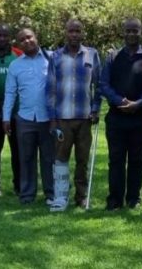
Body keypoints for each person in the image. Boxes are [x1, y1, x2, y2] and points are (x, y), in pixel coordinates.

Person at [98, 18, 142, 211]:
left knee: (137, 159)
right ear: (123, 33)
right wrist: (120, 101)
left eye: (136, 31)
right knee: (115, 159)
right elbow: (103, 84)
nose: (132, 34)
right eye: (128, 31)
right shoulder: (112, 57)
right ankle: (115, 199)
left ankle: (133, 198)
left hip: (140, 118)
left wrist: (138, 103)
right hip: (116, 118)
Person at [48, 19, 101, 211]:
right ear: (65, 32)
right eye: (71, 31)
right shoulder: (55, 56)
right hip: (62, 118)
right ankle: (61, 196)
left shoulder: (92, 54)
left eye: (78, 31)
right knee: (61, 158)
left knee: (82, 160)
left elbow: (98, 85)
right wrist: (52, 119)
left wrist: (95, 109)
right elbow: (50, 89)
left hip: (84, 118)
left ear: (82, 33)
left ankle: (81, 197)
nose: (74, 34)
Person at [3, 28, 56, 205]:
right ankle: (27, 195)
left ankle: (51, 192)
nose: (27, 41)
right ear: (18, 44)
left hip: (48, 118)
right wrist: (6, 117)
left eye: (29, 37)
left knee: (49, 158)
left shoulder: (52, 59)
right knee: (26, 158)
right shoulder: (15, 65)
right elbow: (10, 93)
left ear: (36, 37)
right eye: (22, 40)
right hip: (25, 118)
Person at [0, 24, 23, 197]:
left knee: (17, 150)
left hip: (15, 111)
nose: (2, 38)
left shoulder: (18, 55)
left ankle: (19, 185)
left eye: (5, 35)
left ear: (10, 37)